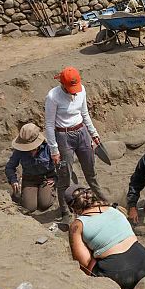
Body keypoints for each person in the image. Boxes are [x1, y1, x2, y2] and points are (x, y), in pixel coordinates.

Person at [66, 185, 145, 289]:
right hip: (144, 260)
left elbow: (85, 263)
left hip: (119, 274)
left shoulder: (77, 225)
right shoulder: (114, 209)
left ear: (72, 208)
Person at [45, 67, 103, 219]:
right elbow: (49, 125)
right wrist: (54, 150)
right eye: (71, 88)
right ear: (62, 84)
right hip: (63, 137)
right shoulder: (53, 97)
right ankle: (65, 211)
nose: (74, 91)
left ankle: (101, 200)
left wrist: (93, 133)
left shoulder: (81, 90)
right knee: (64, 176)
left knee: (91, 171)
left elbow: (84, 113)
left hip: (82, 132)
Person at [5, 123, 56, 213]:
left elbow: (61, 164)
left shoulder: (49, 146)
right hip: (29, 179)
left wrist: (55, 178)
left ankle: (50, 191)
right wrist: (13, 180)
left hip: (46, 178)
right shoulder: (19, 150)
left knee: (44, 204)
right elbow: (9, 167)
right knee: (30, 207)